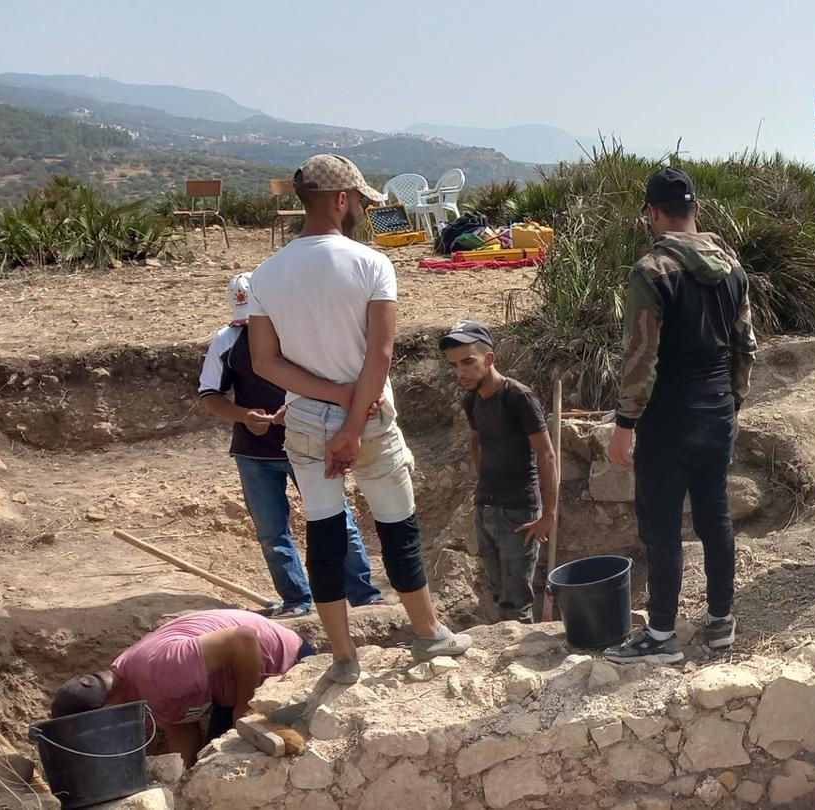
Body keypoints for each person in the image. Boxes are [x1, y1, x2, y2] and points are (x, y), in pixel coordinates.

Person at [244, 153, 470, 684]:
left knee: (323, 535)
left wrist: (329, 395)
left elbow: (264, 362)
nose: (362, 213)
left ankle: (344, 659)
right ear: (342, 199)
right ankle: (427, 634)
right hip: (368, 417)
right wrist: (350, 421)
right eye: (360, 203)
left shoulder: (266, 275)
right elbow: (381, 354)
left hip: (304, 421)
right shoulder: (371, 264)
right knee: (398, 528)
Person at [603, 167, 758, 664]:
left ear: (652, 213)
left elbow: (641, 357)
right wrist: (734, 403)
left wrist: (625, 423)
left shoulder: (651, 271)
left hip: (668, 417)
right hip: (716, 410)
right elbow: (745, 346)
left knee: (662, 525)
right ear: (696, 209)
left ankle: (662, 635)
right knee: (715, 516)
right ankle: (720, 622)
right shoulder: (733, 269)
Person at [199, 273, 384, 620]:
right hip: (254, 453)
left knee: (337, 518)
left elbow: (330, 380)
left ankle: (364, 594)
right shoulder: (226, 340)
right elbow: (209, 393)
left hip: (309, 443)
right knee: (272, 532)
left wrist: (298, 407)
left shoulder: (300, 335)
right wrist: (242, 415)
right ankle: (297, 600)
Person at [49, 609, 311, 765]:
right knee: (209, 763)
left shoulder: (159, 669)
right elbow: (181, 733)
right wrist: (177, 782)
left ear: (107, 708)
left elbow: (242, 639)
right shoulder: (135, 688)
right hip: (228, 690)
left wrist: (245, 707)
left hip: (283, 663)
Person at [441, 320, 558, 623]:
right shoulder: (471, 401)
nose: (460, 372)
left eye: (468, 362)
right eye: (454, 365)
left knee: (516, 602)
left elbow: (546, 455)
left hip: (519, 512)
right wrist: (483, 488)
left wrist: (548, 516)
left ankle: (518, 665)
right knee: (497, 593)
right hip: (486, 510)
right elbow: (476, 441)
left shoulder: (518, 398)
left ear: (489, 359)